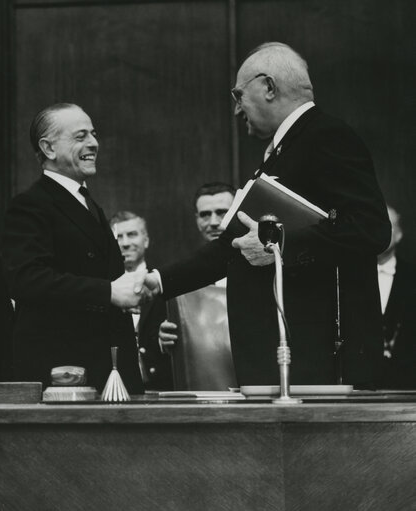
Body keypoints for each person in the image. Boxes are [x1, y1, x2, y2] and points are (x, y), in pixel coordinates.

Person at [145, 42, 390, 387]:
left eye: (238, 94)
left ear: (269, 88)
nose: (236, 110)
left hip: (319, 360)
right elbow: (232, 247)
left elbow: (371, 229)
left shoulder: (327, 136)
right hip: (286, 356)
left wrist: (277, 246)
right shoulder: (285, 148)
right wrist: (157, 281)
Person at [1, 103, 145, 393]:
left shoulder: (88, 202)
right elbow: (26, 279)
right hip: (66, 374)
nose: (94, 143)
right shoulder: (30, 205)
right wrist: (109, 292)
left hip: (105, 366)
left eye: (93, 134)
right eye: (80, 137)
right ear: (49, 148)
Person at [158, 183, 238, 390]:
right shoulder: (180, 274)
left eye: (222, 212)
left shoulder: (264, 269)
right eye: (205, 214)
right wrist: (163, 339)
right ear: (196, 219)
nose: (213, 222)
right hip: (200, 388)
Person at [110, 211, 171, 390]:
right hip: (116, 388)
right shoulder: (103, 288)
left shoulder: (166, 282)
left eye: (132, 235)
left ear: (146, 240)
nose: (125, 243)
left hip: (163, 387)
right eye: (118, 237)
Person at [377, 205, 416, 389]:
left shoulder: (412, 277)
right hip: (360, 387)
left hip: (407, 386)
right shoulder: (346, 276)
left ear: (399, 234)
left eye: (388, 224)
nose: (380, 230)